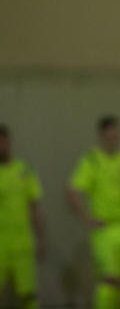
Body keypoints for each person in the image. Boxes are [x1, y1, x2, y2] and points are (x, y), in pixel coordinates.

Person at [67, 116, 120, 309]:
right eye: (110, 136)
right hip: (103, 229)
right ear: (102, 136)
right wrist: (87, 218)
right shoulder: (92, 160)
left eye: (116, 136)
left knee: (119, 281)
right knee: (108, 278)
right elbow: (72, 191)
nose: (114, 139)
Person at [0, 125, 44, 309]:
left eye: (3, 141)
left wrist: (40, 237)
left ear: (9, 142)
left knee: (28, 295)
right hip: (1, 243)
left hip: (23, 243)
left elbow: (34, 207)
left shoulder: (24, 170)